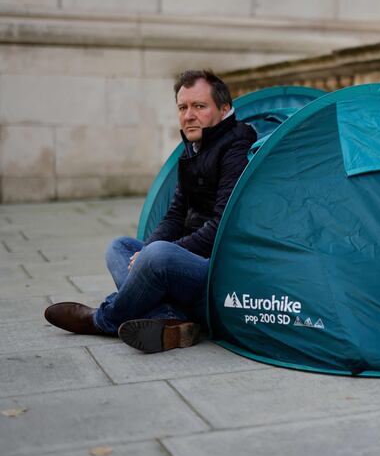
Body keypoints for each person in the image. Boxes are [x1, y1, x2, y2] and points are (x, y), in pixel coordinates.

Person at [44, 70, 256, 353]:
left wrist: (155, 254)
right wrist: (146, 252)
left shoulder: (236, 145)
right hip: (187, 259)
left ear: (224, 109)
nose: (189, 115)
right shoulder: (193, 150)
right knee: (119, 247)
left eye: (199, 106)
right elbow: (174, 214)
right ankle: (172, 319)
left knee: (157, 255)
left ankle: (101, 319)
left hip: (217, 267)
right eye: (183, 107)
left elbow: (222, 226)